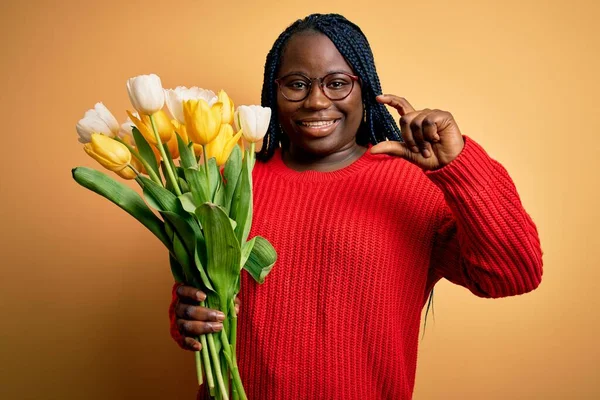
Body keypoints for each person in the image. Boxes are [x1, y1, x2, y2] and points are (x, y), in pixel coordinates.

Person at [169, 13, 543, 399]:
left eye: (337, 84)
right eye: (297, 84)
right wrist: (187, 317)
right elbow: (201, 296)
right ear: (273, 91)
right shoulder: (232, 180)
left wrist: (458, 164)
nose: (316, 101)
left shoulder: (413, 183)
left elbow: (513, 275)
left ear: (365, 91)